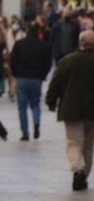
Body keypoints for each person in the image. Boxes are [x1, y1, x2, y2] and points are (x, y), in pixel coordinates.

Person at [46, 30, 94, 191]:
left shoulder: (68, 61)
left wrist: (51, 101)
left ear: (80, 42)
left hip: (72, 108)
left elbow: (56, 83)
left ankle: (78, 169)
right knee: (88, 144)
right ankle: (84, 175)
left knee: (74, 141)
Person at [10, 22, 52, 141]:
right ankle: (36, 121)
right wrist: (43, 75)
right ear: (38, 32)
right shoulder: (44, 46)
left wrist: (16, 73)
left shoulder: (19, 44)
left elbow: (13, 61)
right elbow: (48, 63)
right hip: (36, 78)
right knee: (35, 104)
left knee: (22, 107)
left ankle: (25, 133)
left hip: (22, 77)